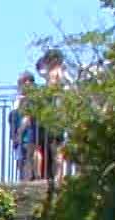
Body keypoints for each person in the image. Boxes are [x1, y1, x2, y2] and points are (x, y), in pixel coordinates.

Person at [36, 49, 70, 180]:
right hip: (54, 114)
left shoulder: (56, 73)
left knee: (56, 147)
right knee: (53, 146)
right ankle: (56, 176)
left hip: (55, 115)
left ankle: (58, 176)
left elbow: (52, 90)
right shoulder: (57, 73)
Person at [10, 72, 41, 180]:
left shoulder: (32, 98)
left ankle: (33, 177)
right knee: (21, 158)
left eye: (22, 82)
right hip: (19, 134)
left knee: (30, 154)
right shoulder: (18, 99)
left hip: (28, 132)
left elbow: (27, 116)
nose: (20, 85)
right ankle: (24, 178)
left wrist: (19, 132)